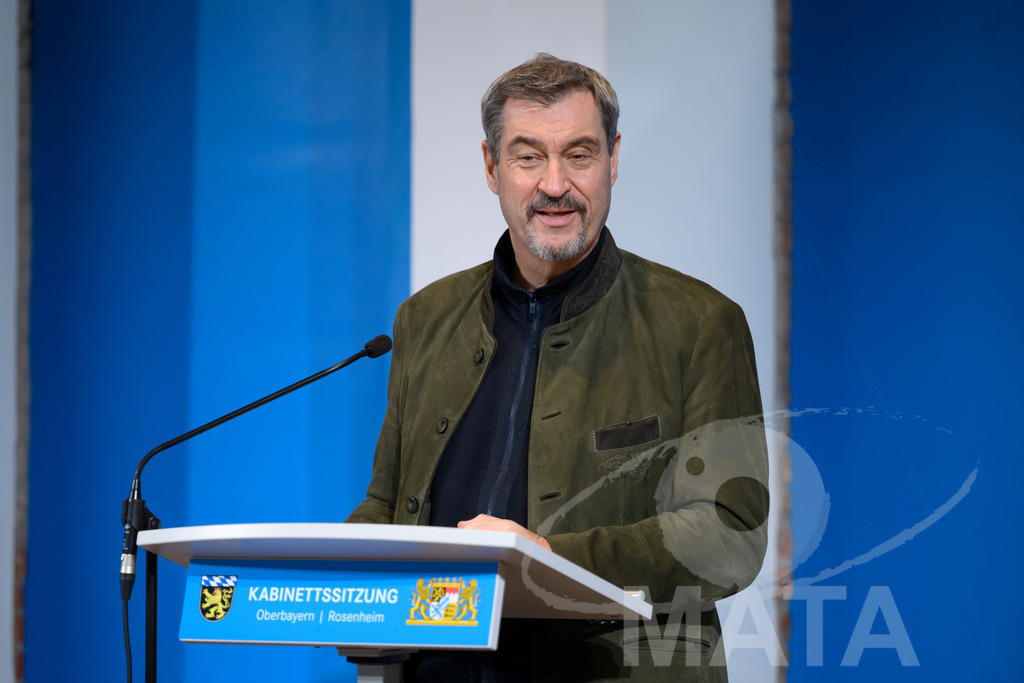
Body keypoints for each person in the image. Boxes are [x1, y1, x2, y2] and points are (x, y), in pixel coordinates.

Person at [347, 53, 769, 682]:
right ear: (491, 167)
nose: (554, 184)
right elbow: (385, 504)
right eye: (527, 156)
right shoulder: (425, 319)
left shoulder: (701, 324)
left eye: (579, 154)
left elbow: (730, 534)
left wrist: (548, 559)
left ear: (613, 160)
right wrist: (333, 575)